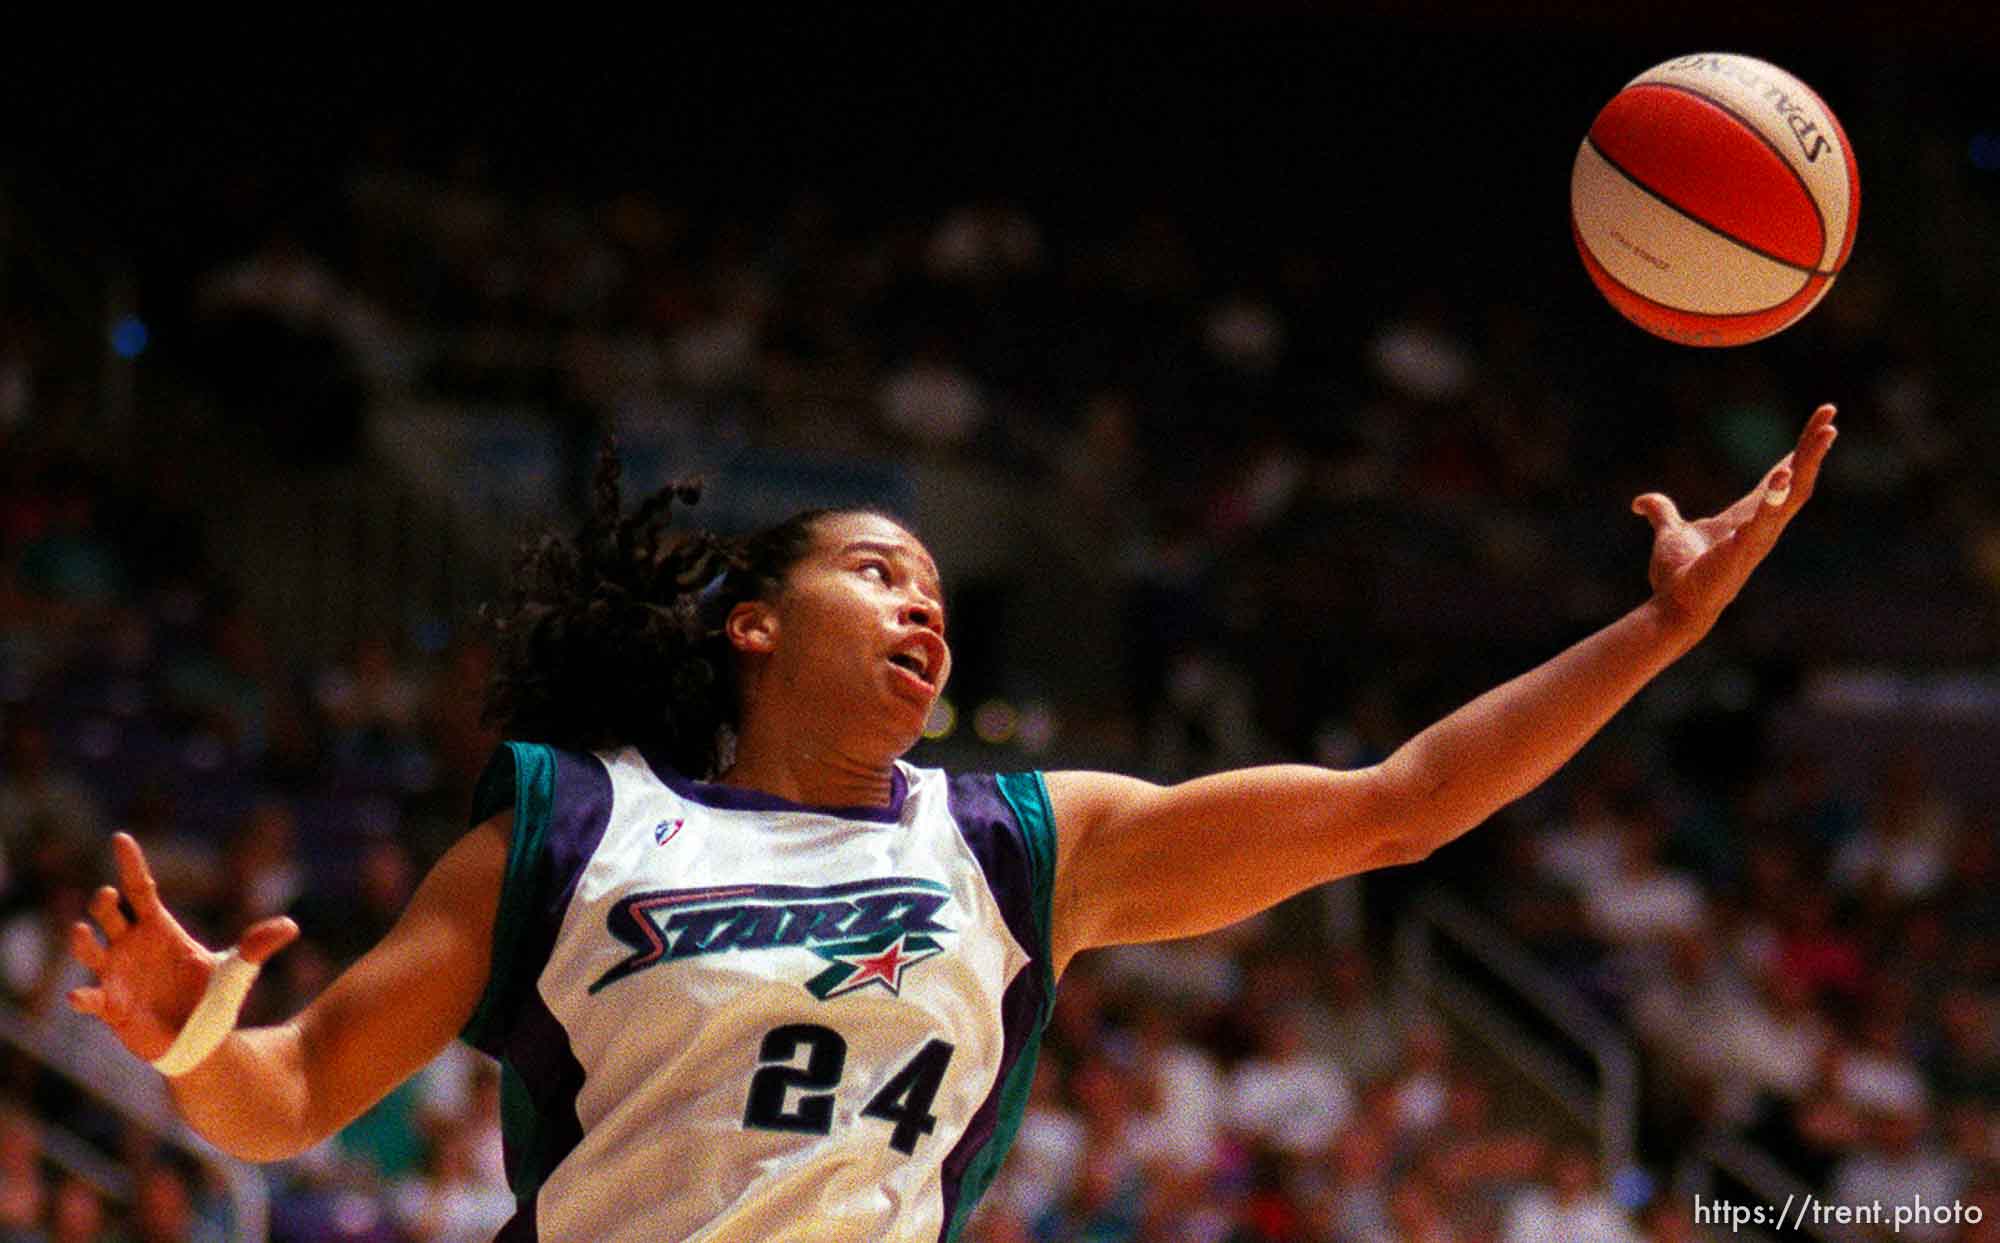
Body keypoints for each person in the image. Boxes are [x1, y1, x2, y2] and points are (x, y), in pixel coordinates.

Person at [65, 407, 1839, 1241]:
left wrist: (1664, 631)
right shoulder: (576, 827)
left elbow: (1404, 809)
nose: (924, 611)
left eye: (938, 591)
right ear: (753, 622)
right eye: (875, 574)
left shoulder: (1012, 841)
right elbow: (285, 1102)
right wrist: (196, 1031)